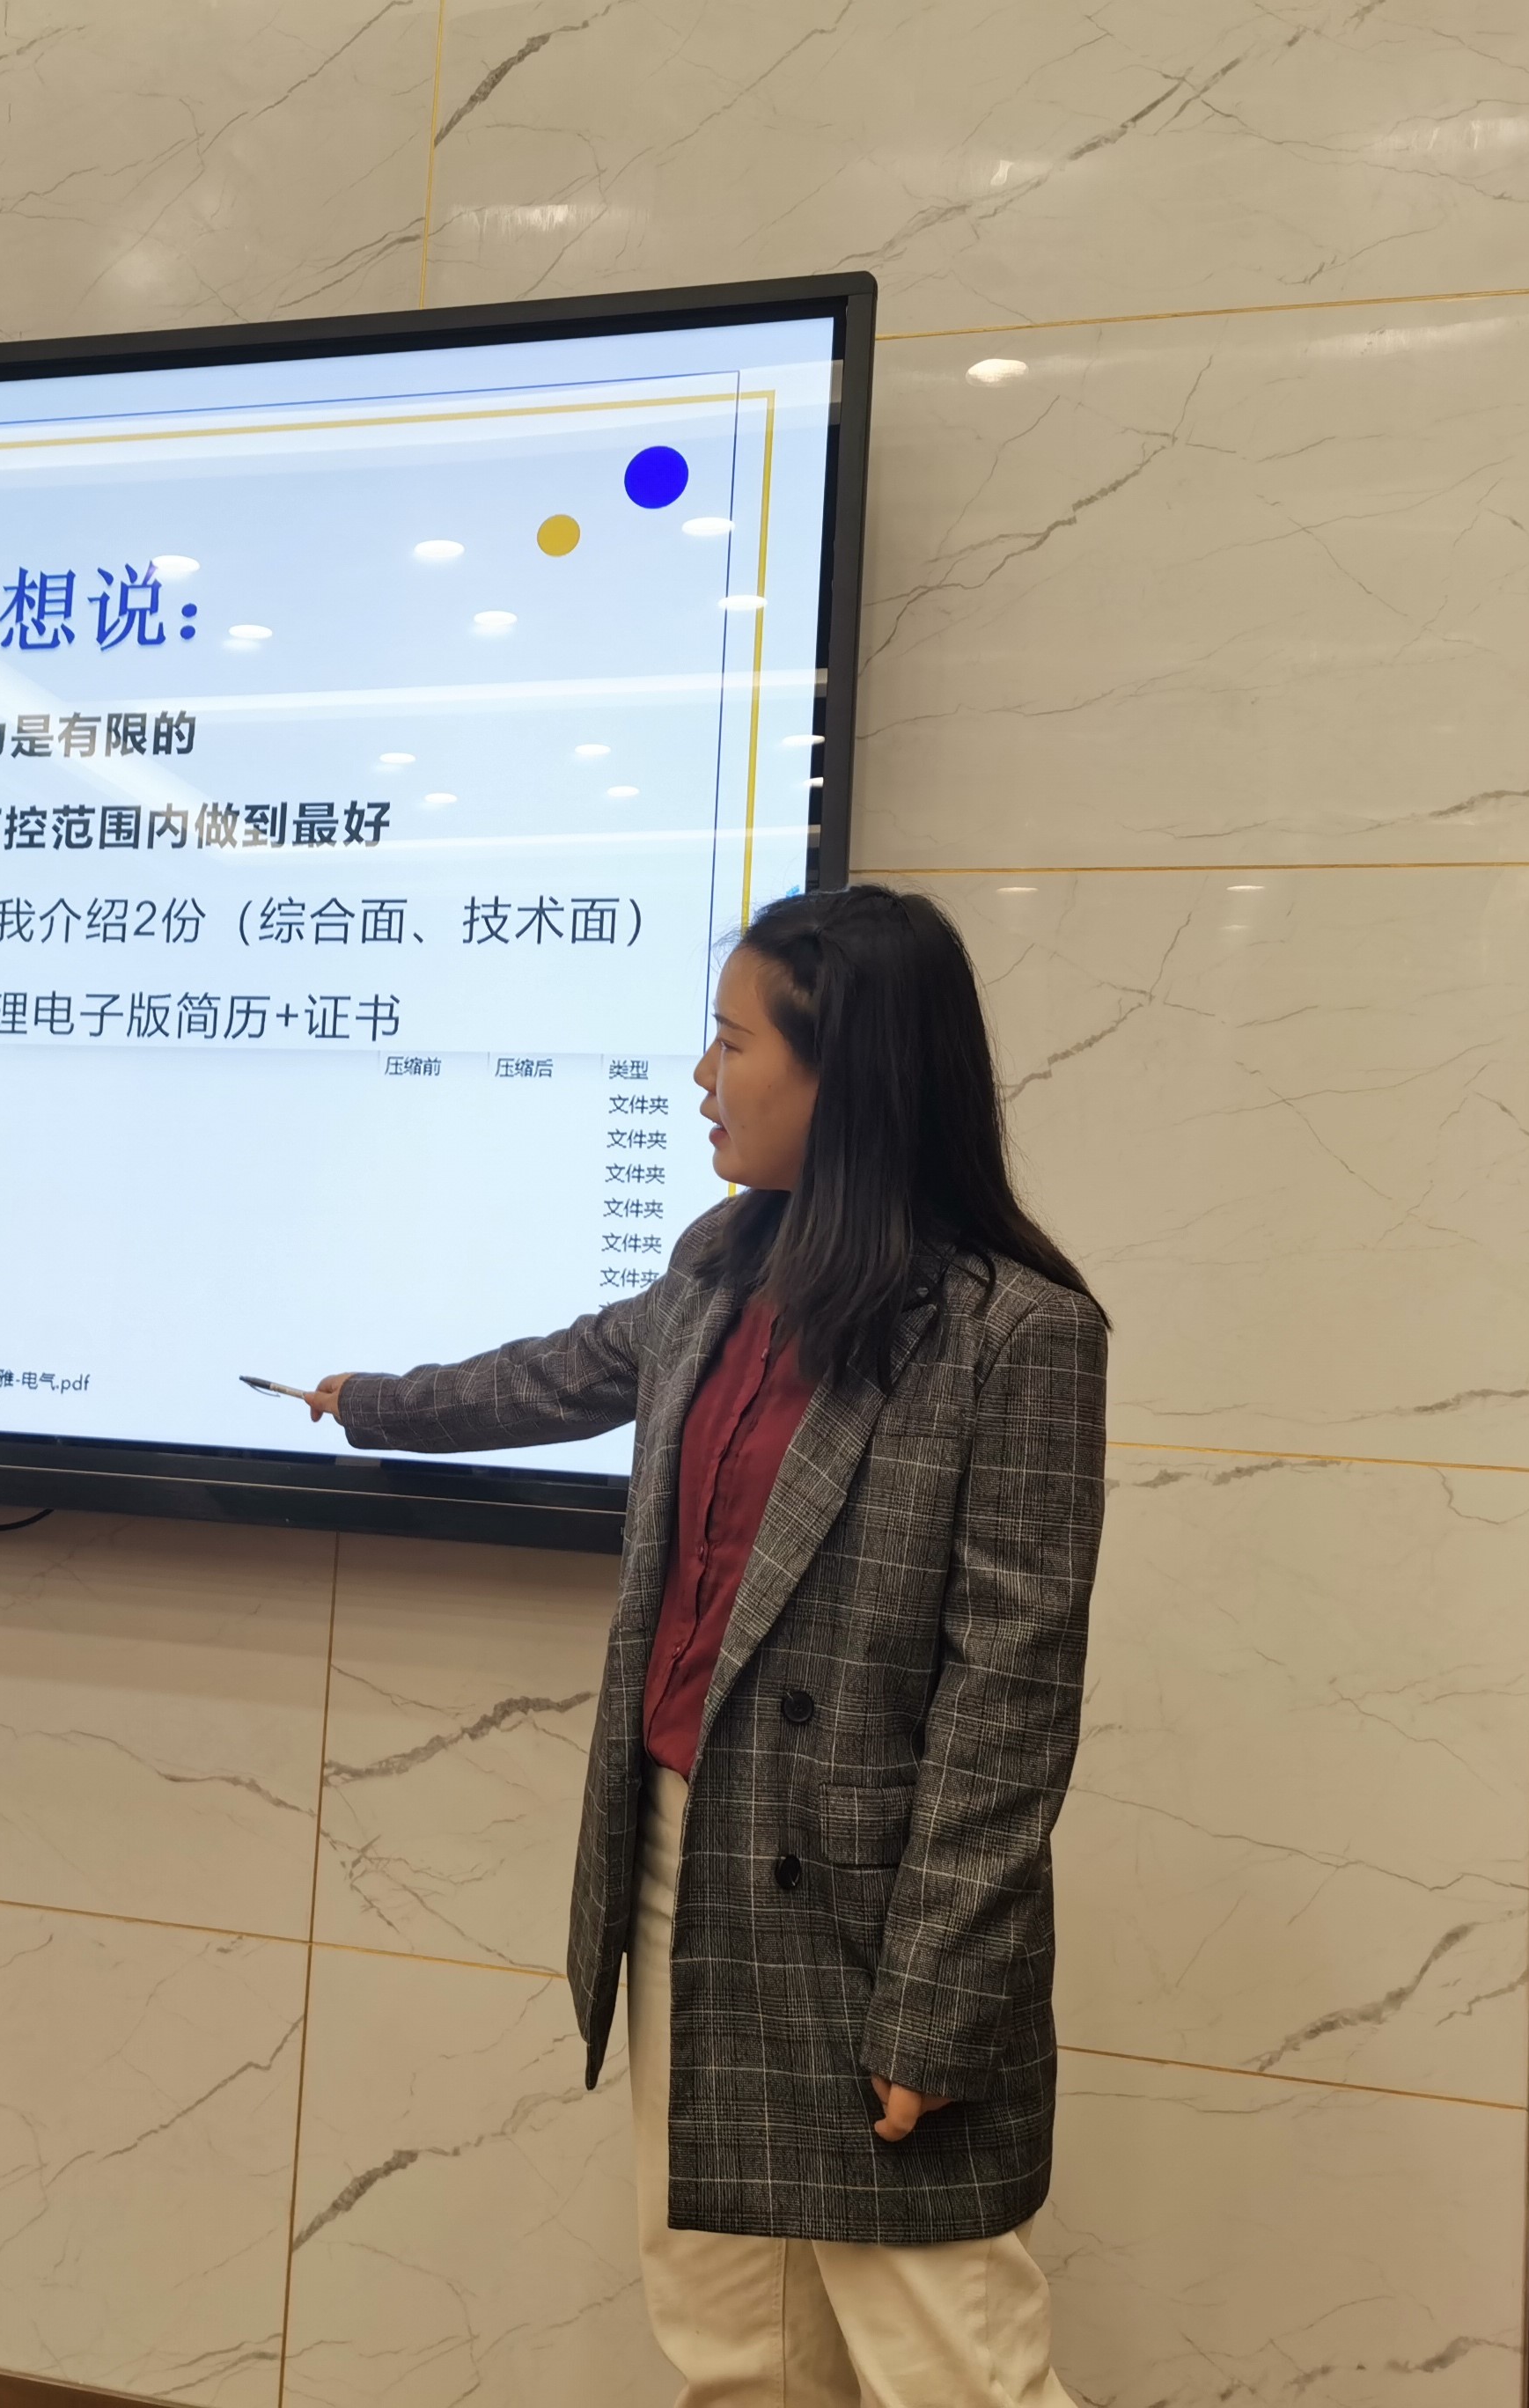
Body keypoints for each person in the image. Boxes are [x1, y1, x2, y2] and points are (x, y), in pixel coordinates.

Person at [305, 885, 1106, 2407]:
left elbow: (1010, 1706)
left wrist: (937, 2001)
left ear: (846, 1075)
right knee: (736, 2346)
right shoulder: (725, 1262)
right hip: (682, 1855)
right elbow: (569, 1370)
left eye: (731, 1043)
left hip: (869, 1918)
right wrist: (377, 1402)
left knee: (957, 2369)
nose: (701, 1075)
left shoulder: (1015, 1335)